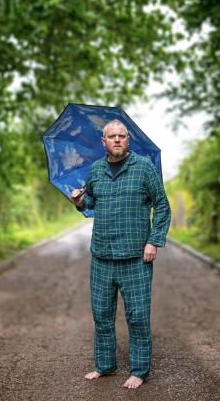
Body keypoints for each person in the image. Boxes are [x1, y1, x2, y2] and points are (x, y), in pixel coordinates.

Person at [71, 119, 171, 389]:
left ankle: (139, 370)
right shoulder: (95, 170)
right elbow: (91, 201)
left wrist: (154, 241)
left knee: (137, 316)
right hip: (102, 256)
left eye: (122, 135)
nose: (117, 139)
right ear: (103, 142)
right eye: (111, 136)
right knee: (101, 315)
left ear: (128, 140)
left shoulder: (144, 169)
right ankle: (105, 366)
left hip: (136, 258)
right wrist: (80, 202)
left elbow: (162, 205)